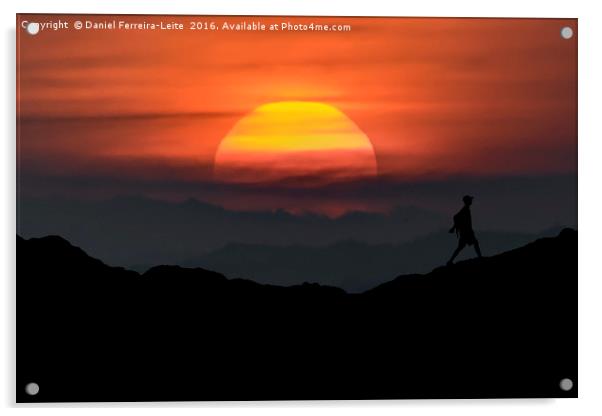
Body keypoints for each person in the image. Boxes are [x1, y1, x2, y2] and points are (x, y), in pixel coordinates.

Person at [447, 195, 482, 266]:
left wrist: (454, 228)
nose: (471, 201)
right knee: (474, 243)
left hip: (465, 232)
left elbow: (456, 217)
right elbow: (456, 217)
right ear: (467, 201)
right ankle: (480, 257)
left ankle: (450, 261)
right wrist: (454, 228)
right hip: (467, 232)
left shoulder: (465, 209)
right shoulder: (465, 209)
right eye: (470, 200)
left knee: (461, 247)